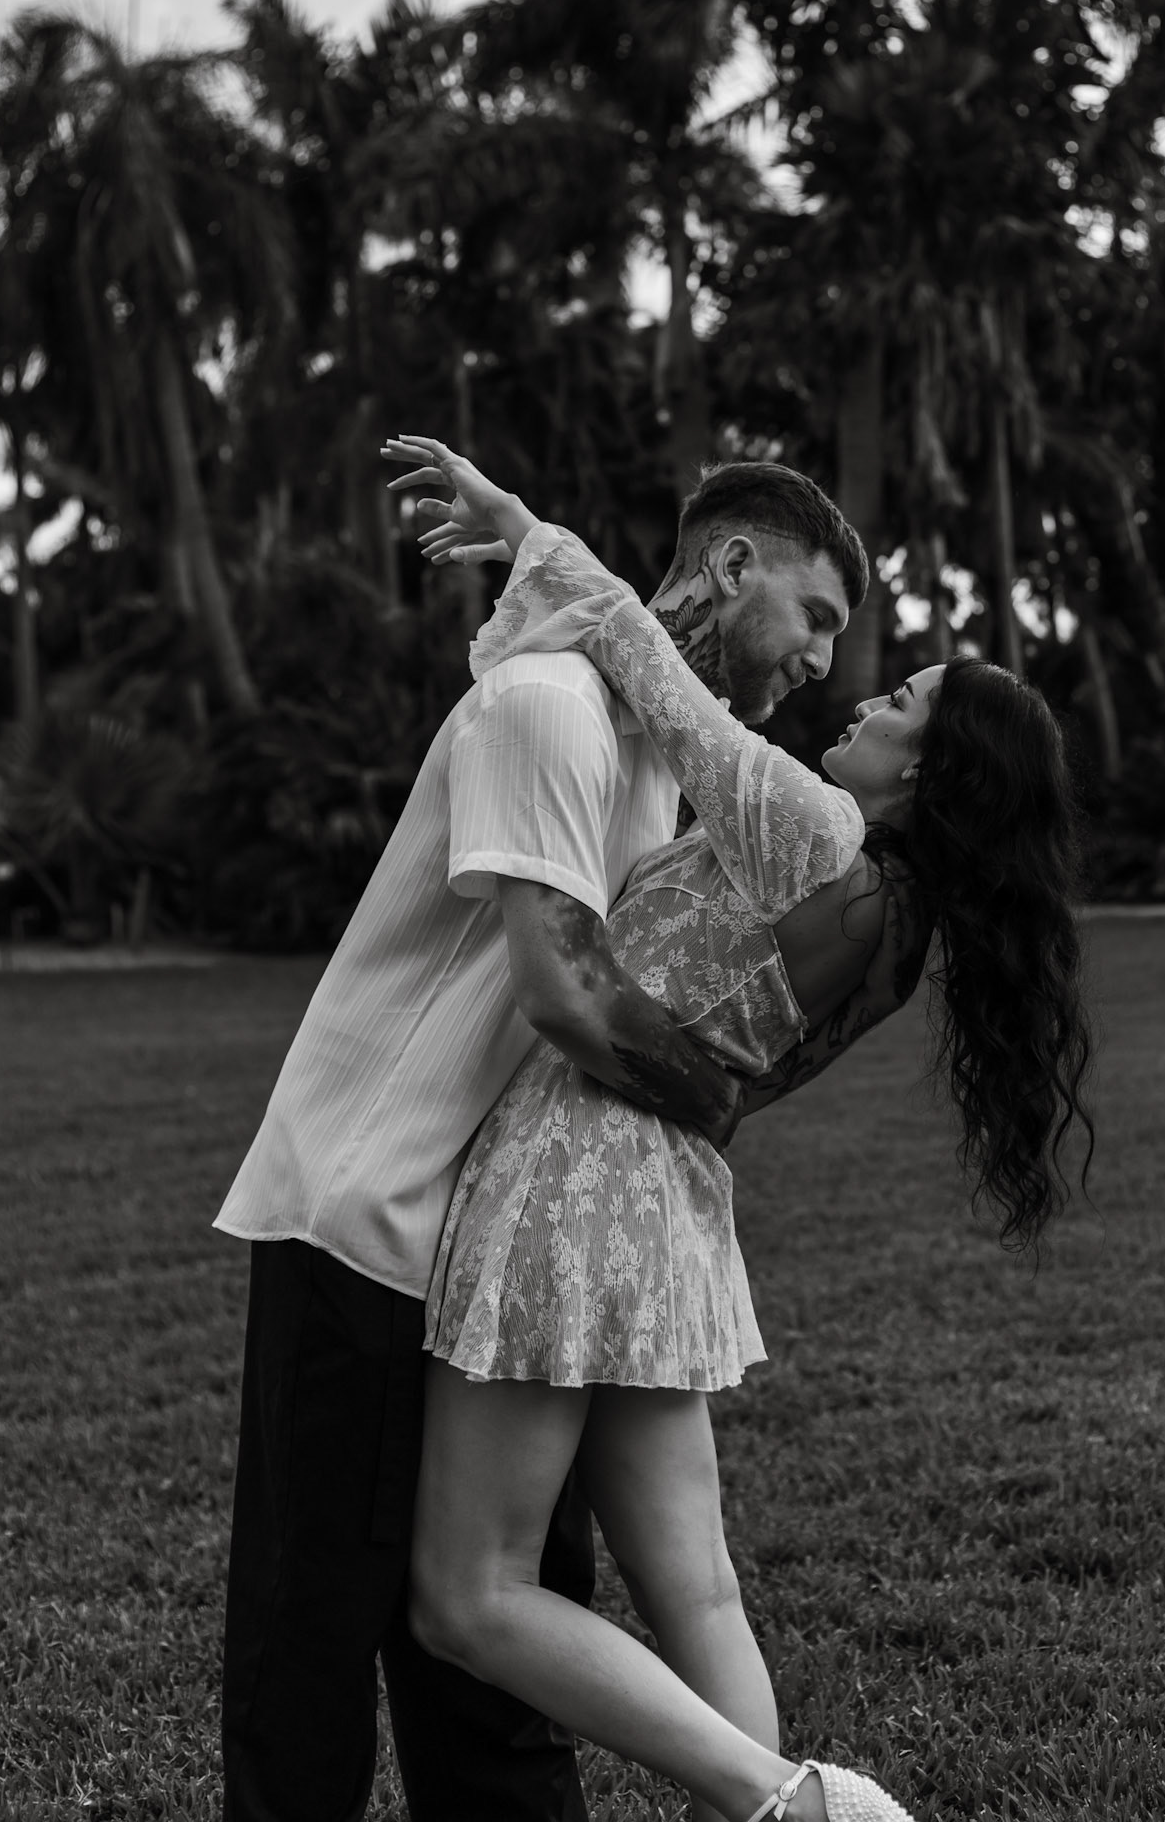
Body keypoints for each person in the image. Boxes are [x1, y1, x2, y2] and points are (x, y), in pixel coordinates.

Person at [393, 446, 1096, 1822]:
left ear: (927, 775)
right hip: (666, 1204)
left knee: (467, 1595)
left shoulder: (817, 829)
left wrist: (523, 527)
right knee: (698, 1590)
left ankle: (796, 1802)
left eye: (900, 701)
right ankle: (790, 1808)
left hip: (573, 1180)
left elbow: (650, 667)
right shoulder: (890, 922)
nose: (863, 694)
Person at [214, 456, 869, 1822]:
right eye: (814, 615)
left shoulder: (649, 741)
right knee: (309, 1647)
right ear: (733, 566)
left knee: (494, 1672)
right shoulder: (548, 707)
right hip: (369, 1215)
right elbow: (562, 989)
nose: (821, 661)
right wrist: (714, 1108)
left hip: (495, 1242)